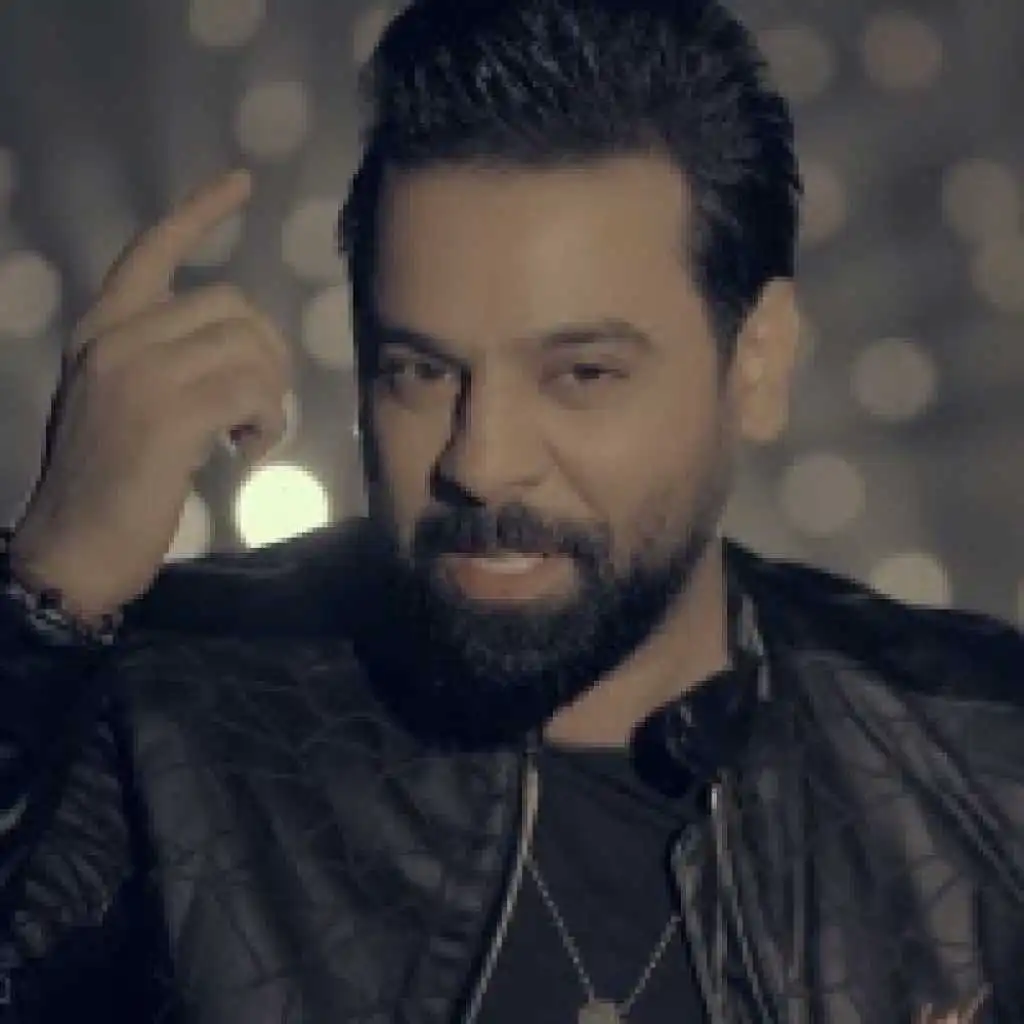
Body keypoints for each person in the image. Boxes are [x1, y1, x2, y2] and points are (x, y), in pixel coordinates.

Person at [0, 0, 1021, 1020]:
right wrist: (49, 590)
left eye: (580, 374)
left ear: (757, 363)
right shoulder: (167, 715)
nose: (482, 464)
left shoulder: (983, 757)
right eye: (420, 369)